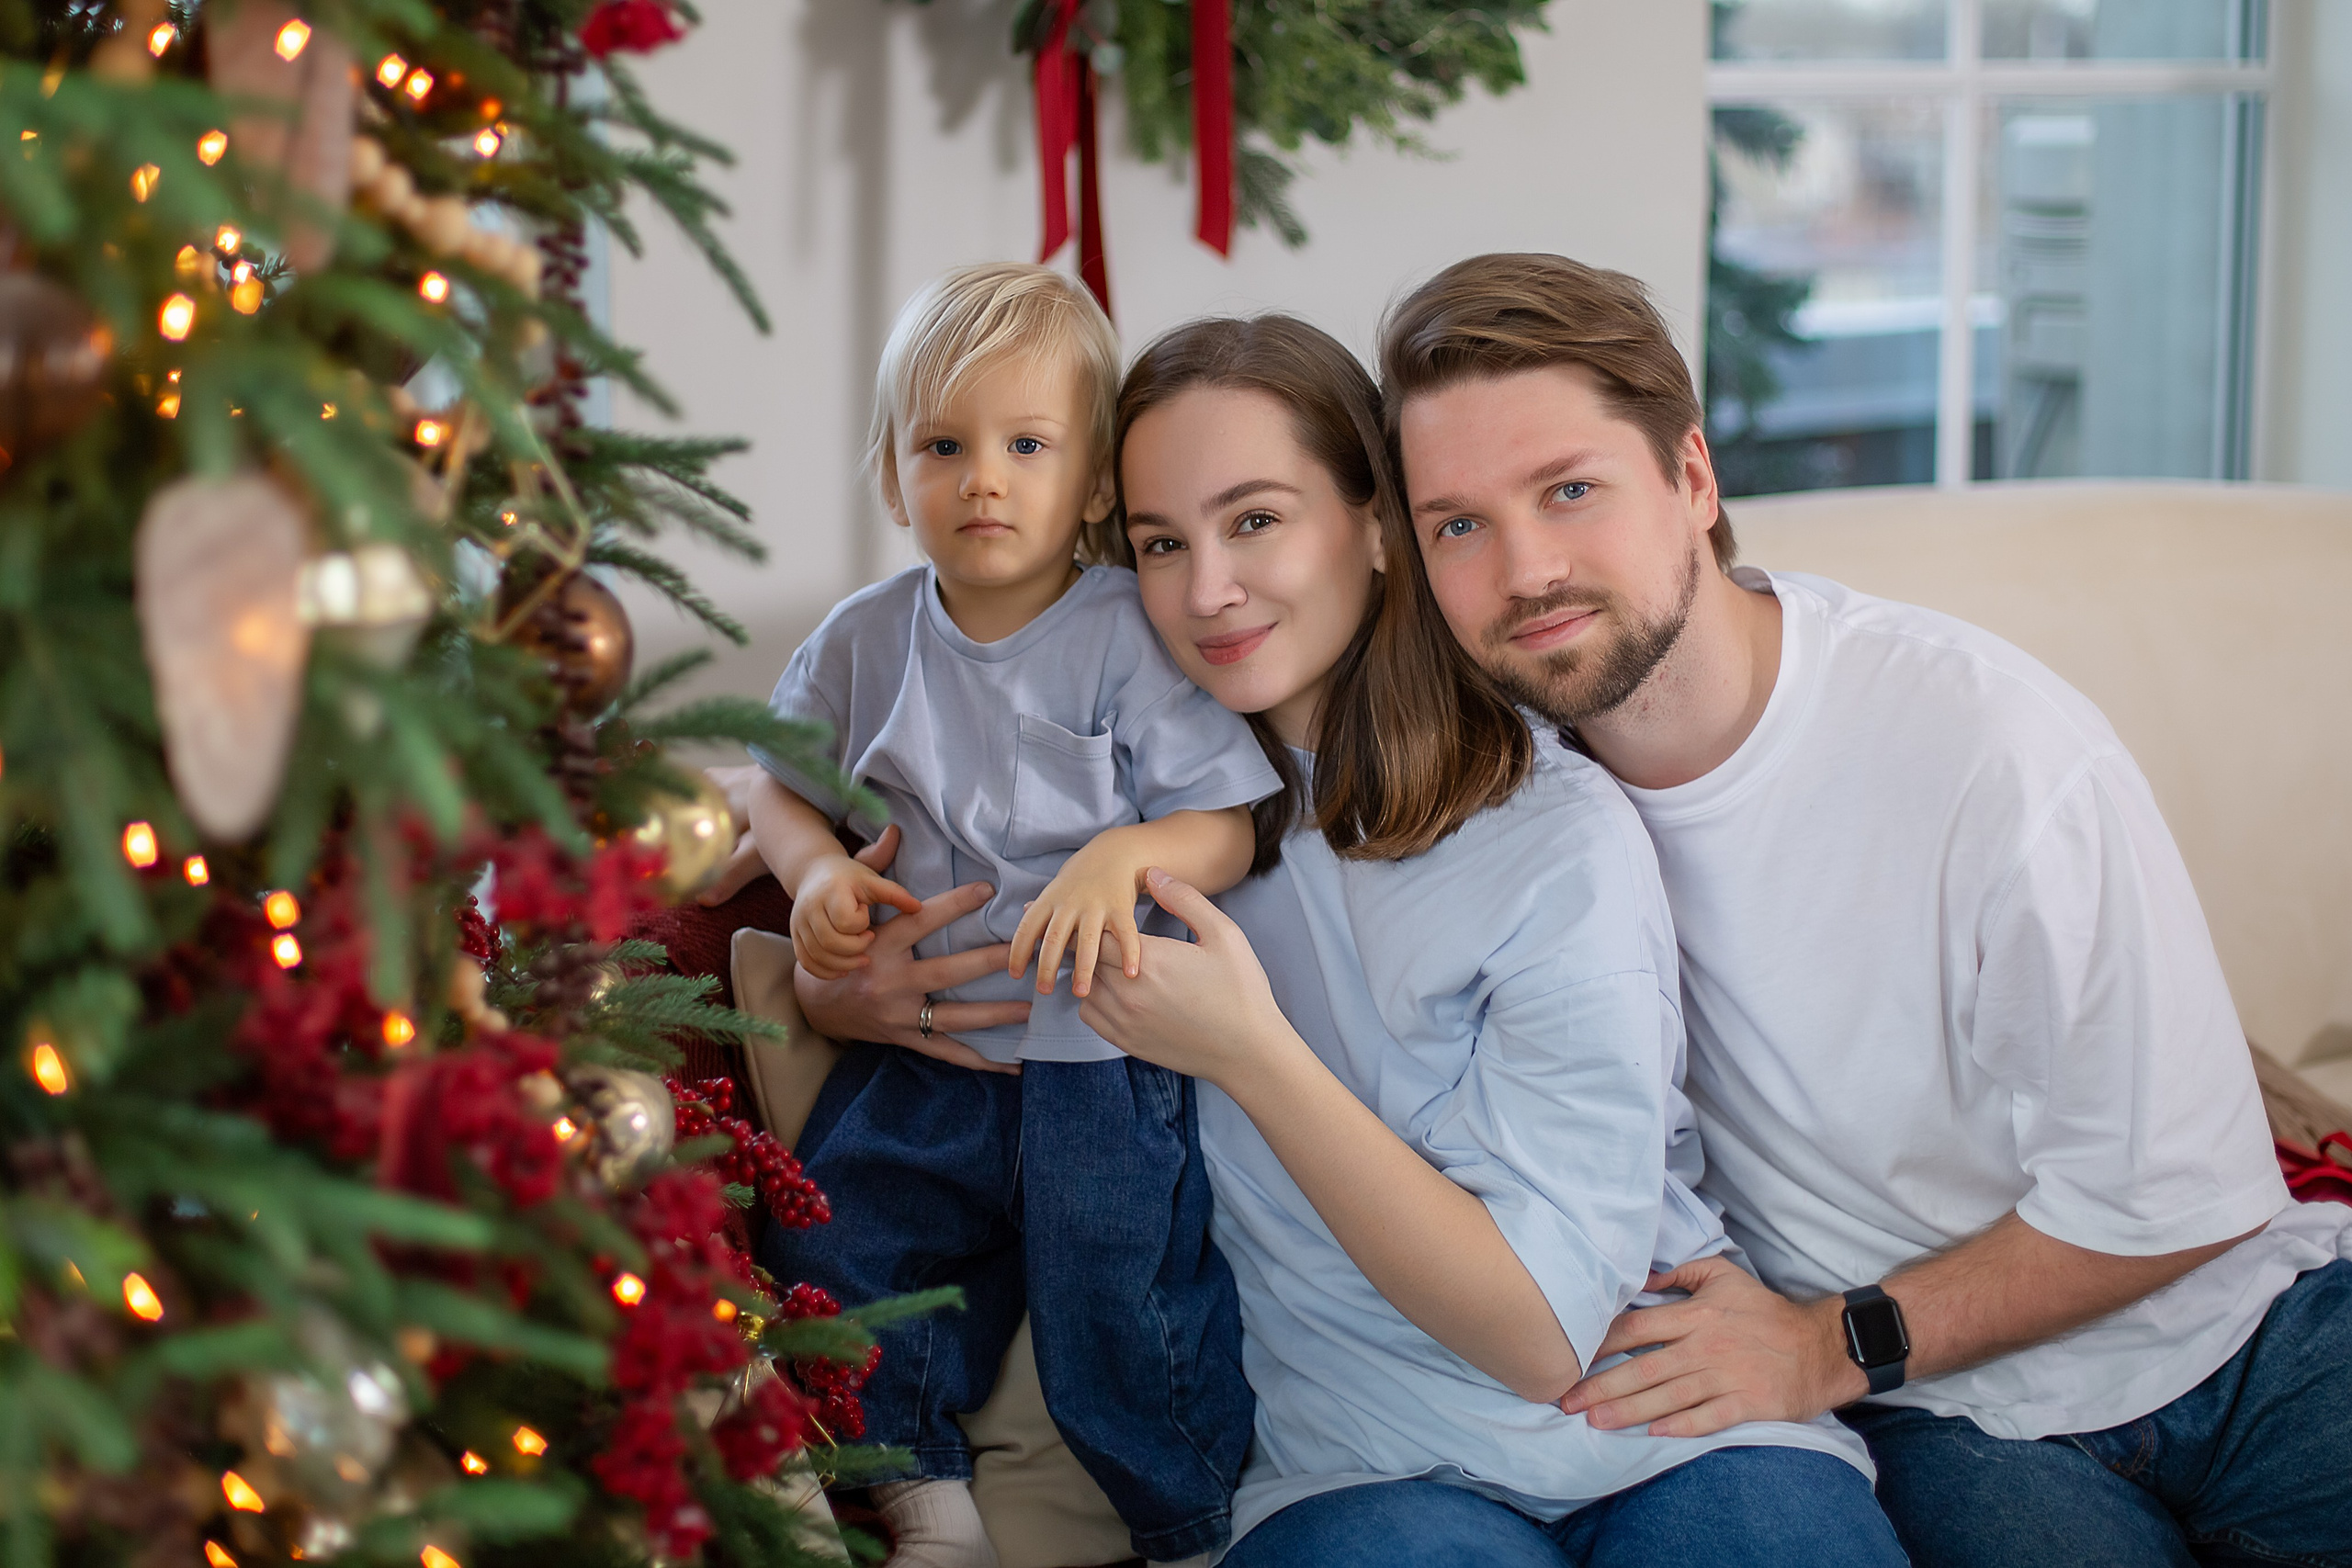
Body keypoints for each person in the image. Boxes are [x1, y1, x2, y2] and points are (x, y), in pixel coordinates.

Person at [1378, 252, 2352, 1567]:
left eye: (1570, 490)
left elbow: (2184, 1198)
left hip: (2247, 1339)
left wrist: (1823, 1341)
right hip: (1949, 1423)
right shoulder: (1491, 818)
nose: (1527, 568)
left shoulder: (1984, 740)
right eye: (1459, 525)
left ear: (1694, 481)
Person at [1069, 314, 1901, 1565]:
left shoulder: (1551, 832)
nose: (1208, 590)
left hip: (1666, 1427)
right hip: (1366, 1463)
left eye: (1255, 520)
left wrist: (1250, 1053)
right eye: (1159, 543)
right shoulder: (1119, 806)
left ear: (1378, 526)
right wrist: (825, 933)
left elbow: (1539, 1332)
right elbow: (896, 715)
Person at [744, 264, 1273, 1568]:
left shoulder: (1126, 634)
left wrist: (1126, 859)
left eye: (1027, 446)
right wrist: (813, 874)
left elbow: (1231, 821)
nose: (984, 478)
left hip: (1099, 1052)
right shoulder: (866, 642)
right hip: (927, 1042)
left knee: (1120, 1298)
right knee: (847, 1237)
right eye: (944, 446)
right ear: (891, 477)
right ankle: (927, 1506)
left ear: (1093, 484)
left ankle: (1191, 1525)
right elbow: (769, 782)